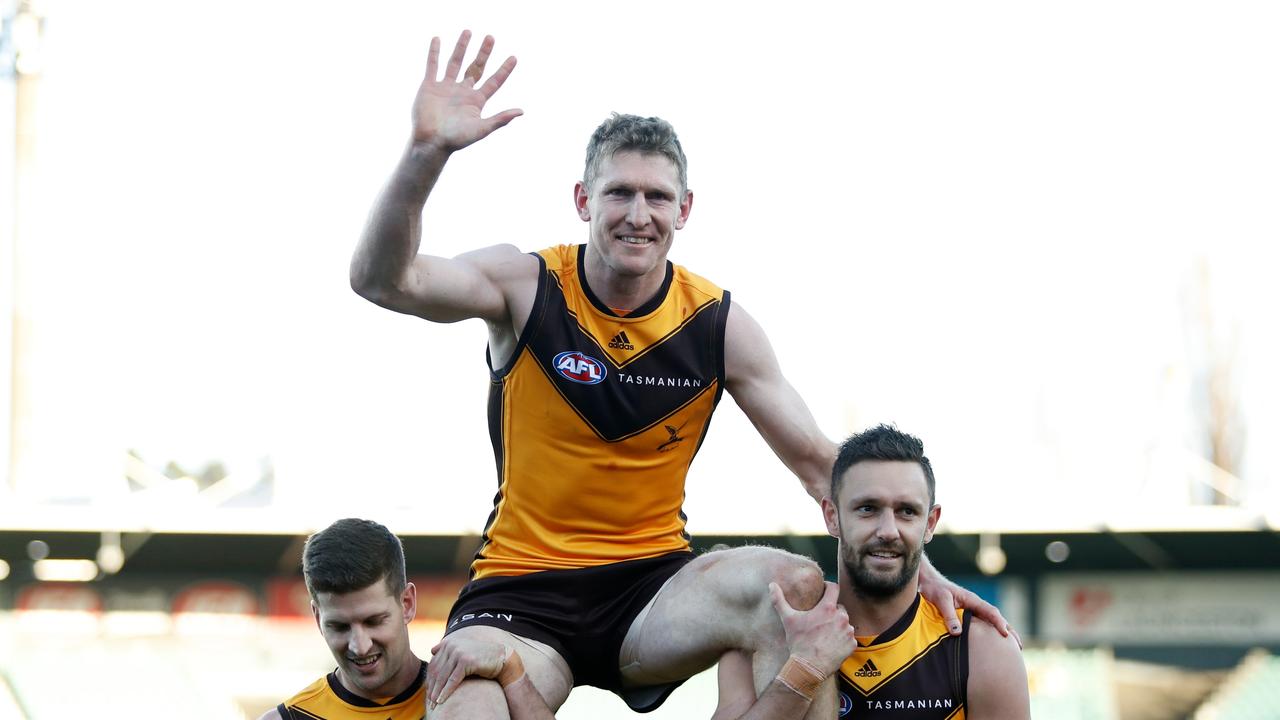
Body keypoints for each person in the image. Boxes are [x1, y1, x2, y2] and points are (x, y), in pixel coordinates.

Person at [350, 30, 1011, 719]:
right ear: (583, 199)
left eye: (659, 198)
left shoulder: (717, 325)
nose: (639, 215)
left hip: (652, 596)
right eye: (620, 194)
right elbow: (382, 281)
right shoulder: (527, 285)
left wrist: (924, 565)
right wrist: (426, 153)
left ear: (684, 210)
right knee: (465, 707)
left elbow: (822, 464)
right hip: (522, 590)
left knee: (795, 587)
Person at [714, 425, 1030, 718]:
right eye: (868, 508)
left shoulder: (982, 650)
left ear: (930, 523)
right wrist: (805, 670)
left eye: (907, 511)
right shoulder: (766, 633)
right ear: (832, 516)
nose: (888, 530)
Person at [259, 518, 555, 720]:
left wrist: (511, 670)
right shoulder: (291, 718)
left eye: (374, 621)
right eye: (339, 626)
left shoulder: (472, 697)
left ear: (407, 603)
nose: (359, 646)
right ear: (316, 616)